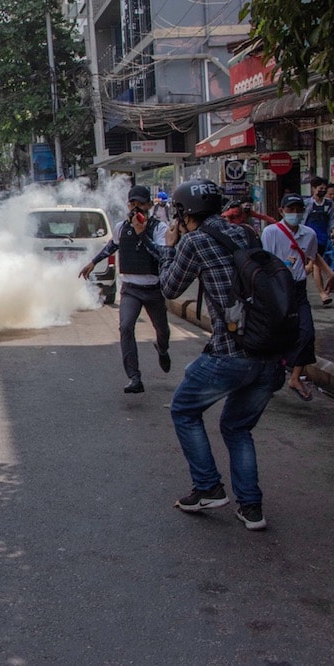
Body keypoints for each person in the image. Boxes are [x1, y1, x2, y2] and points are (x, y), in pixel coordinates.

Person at [159, 178, 284, 531]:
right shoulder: (245, 233)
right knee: (237, 427)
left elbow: (168, 287)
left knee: (184, 409)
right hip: (268, 353)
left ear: (184, 213)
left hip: (229, 354)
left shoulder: (194, 241)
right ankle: (251, 508)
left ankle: (208, 487)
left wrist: (171, 246)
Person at [79, 184, 170, 393]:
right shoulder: (121, 227)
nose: (137, 208)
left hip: (153, 288)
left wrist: (142, 234)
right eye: (133, 203)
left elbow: (161, 255)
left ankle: (163, 349)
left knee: (162, 330)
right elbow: (112, 246)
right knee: (126, 327)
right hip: (130, 288)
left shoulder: (159, 228)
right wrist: (93, 262)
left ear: (148, 205)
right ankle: (134, 377)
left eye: (141, 204)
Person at [260, 193, 319, 401]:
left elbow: (312, 256)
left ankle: (295, 377)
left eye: (297, 210)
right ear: (281, 211)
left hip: (299, 289)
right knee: (275, 334)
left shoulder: (309, 234)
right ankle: (270, 373)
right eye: (290, 210)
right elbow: (265, 261)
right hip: (277, 288)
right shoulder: (271, 232)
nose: (294, 214)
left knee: (307, 332)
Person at [304, 177, 334, 305]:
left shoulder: (329, 204)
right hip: (310, 238)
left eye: (324, 188)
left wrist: (332, 230)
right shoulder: (308, 204)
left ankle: (293, 278)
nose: (322, 190)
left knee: (311, 266)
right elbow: (303, 220)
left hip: (323, 238)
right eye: (320, 188)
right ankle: (323, 294)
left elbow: (332, 219)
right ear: (313, 189)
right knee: (316, 265)